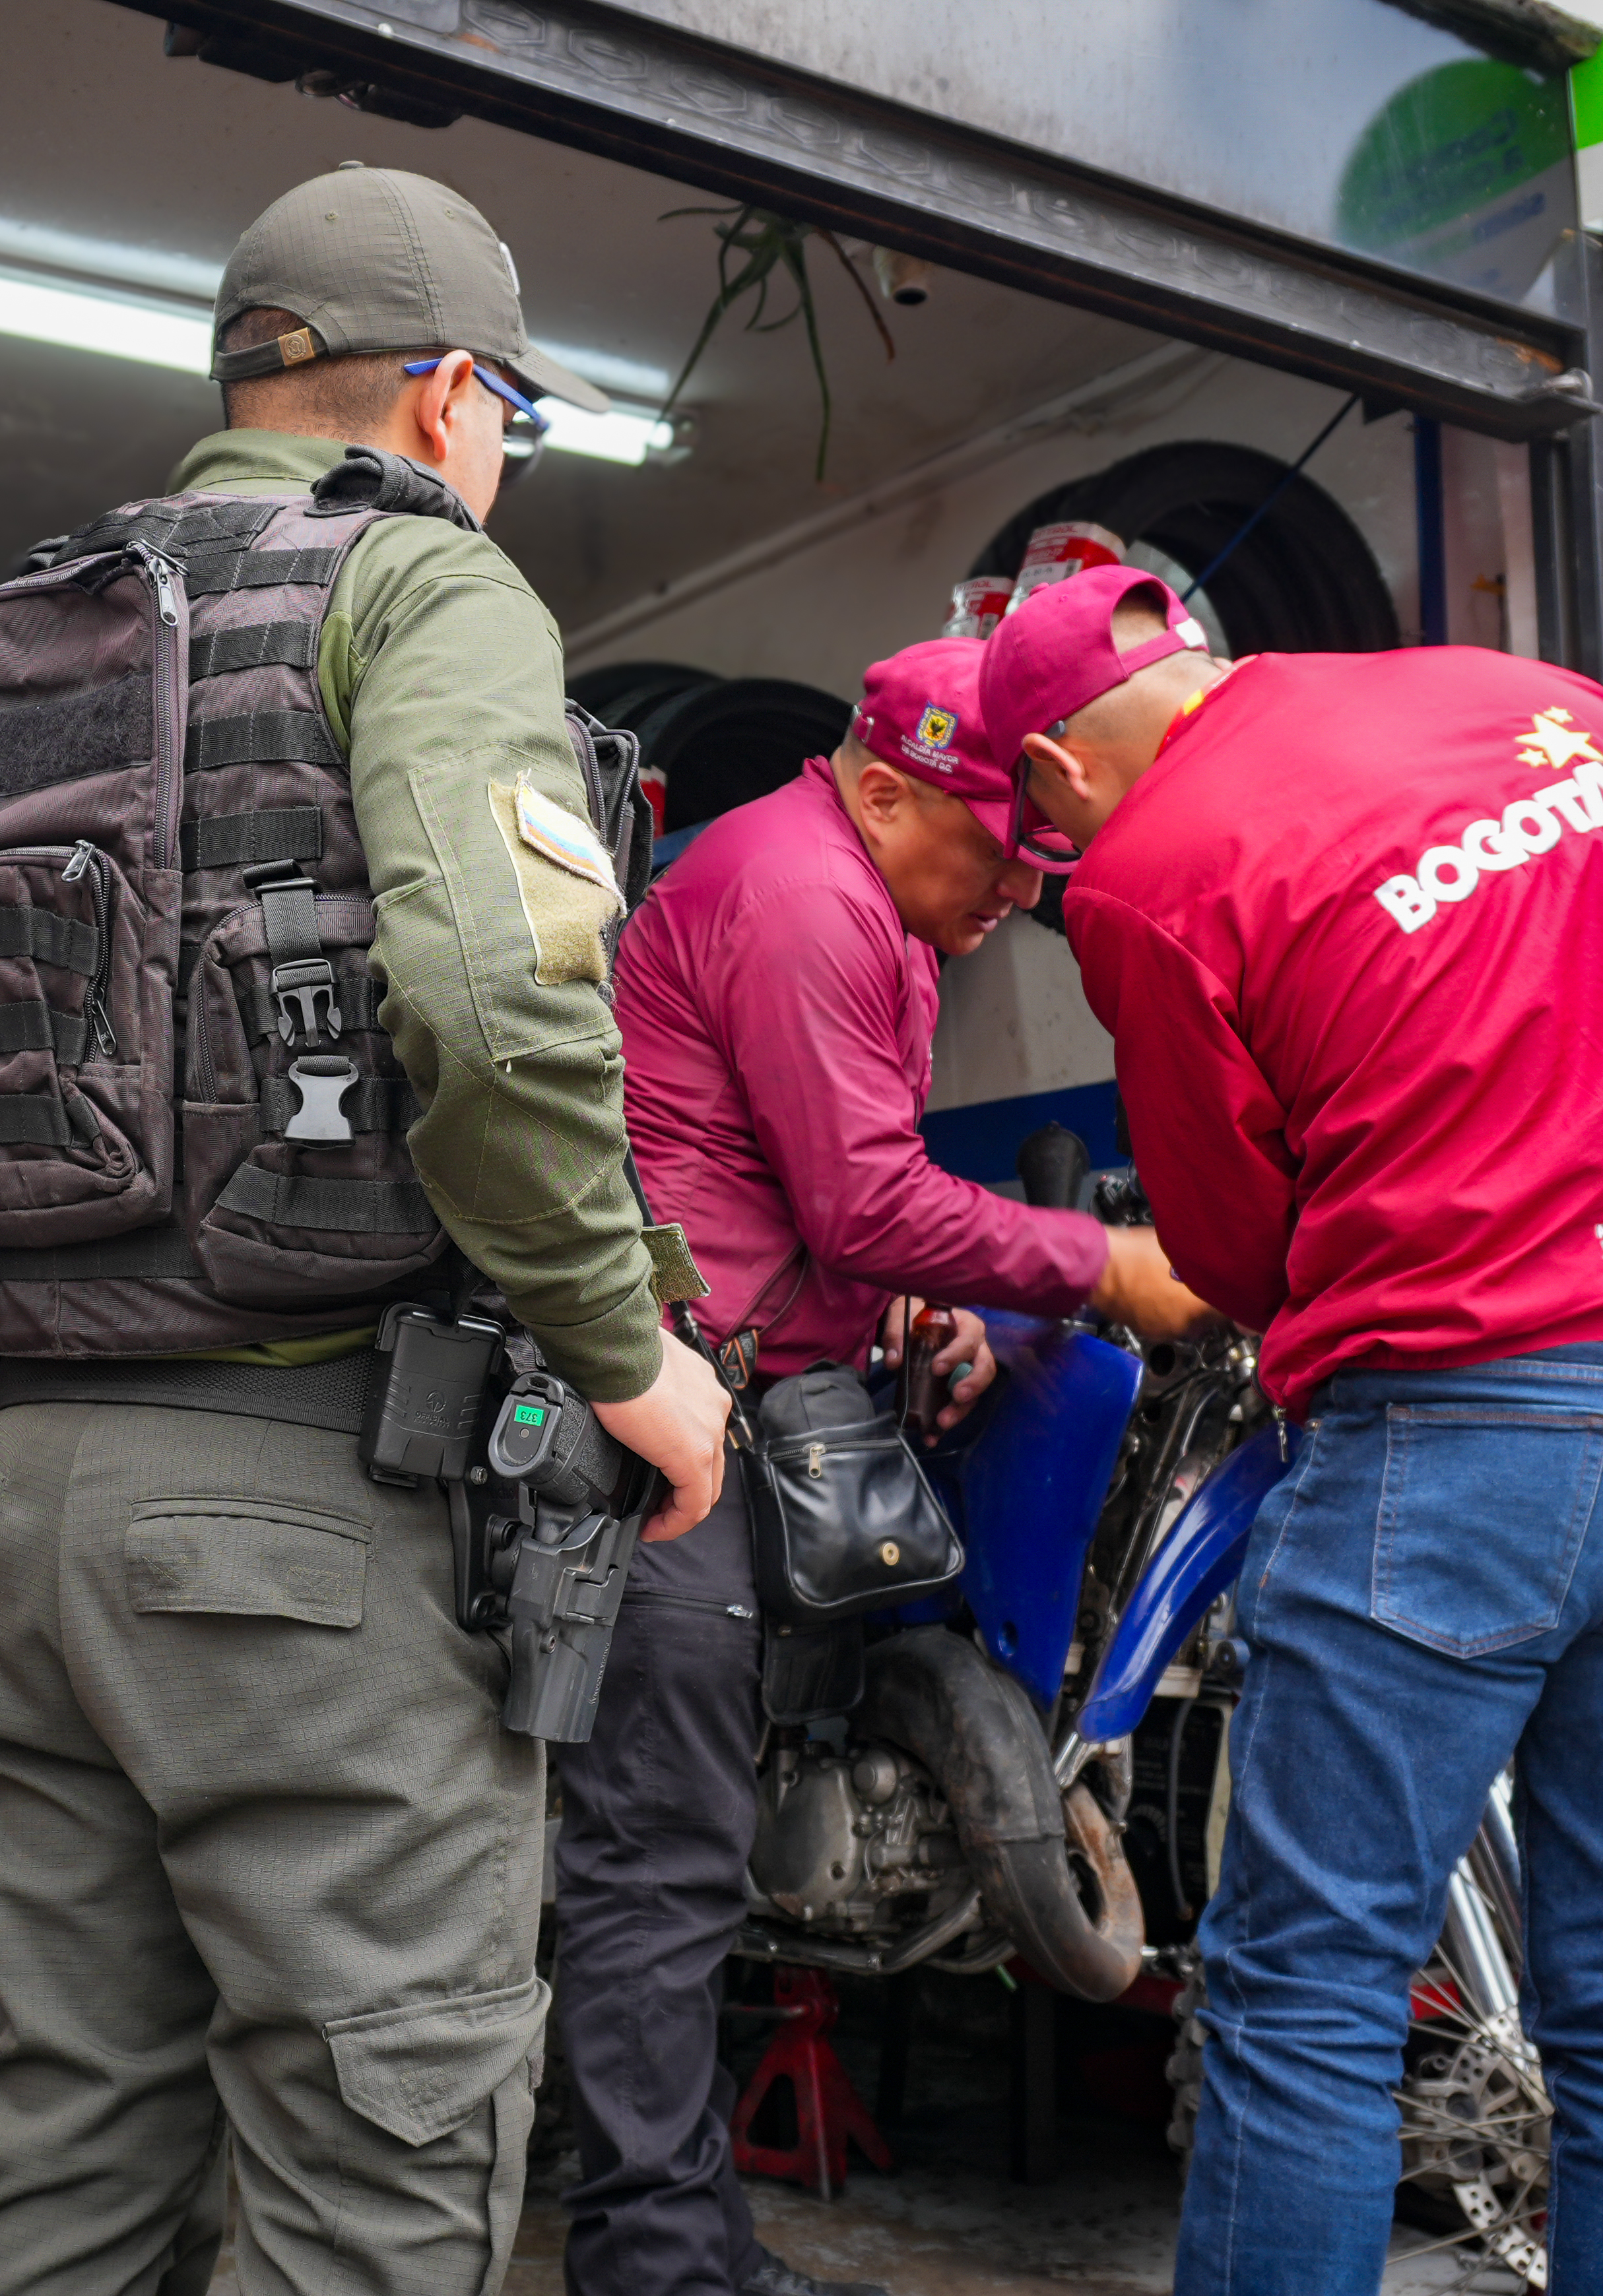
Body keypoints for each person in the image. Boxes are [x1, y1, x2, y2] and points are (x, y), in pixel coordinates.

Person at [0, 166, 733, 2296]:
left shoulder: (27, 630)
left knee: (72, 2131)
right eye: (506, 422)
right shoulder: (420, 590)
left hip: (7, 1515)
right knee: (377, 2147)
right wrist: (630, 1355)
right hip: (301, 1523)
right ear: (449, 397)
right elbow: (490, 997)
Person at [992, 565, 1603, 2295]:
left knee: (1304, 1994)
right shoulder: (1531, 700)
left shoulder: (1146, 876)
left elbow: (1228, 1249)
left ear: (1061, 776)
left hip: (1465, 1430)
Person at [581, 639, 1212, 2296]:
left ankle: (690, 2247)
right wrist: (1106, 1263)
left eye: (1034, 842)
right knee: (657, 1867)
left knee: (703, 1855)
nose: (1019, 873)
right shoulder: (803, 894)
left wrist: (912, 1293)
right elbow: (856, 1196)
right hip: (669, 1431)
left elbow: (808, 1180)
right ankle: (653, 2270)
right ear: (877, 788)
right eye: (993, 838)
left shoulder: (883, 901)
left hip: (767, 1392)